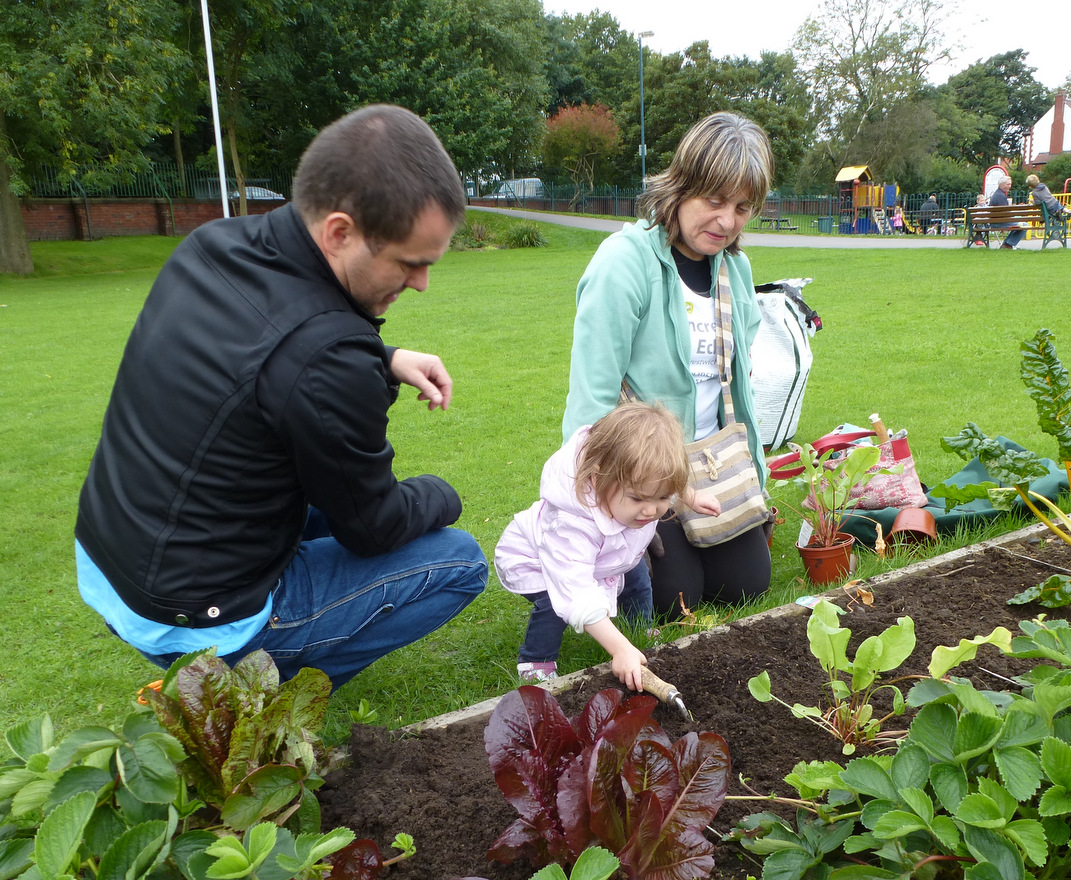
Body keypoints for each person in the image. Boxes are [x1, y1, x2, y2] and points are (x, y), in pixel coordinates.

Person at [74, 105, 489, 691]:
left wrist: (385, 356)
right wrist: (443, 495)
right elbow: (373, 528)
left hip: (113, 561)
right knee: (459, 560)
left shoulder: (212, 246)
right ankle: (267, 692)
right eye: (410, 263)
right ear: (339, 232)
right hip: (197, 616)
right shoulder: (328, 358)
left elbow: (272, 344)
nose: (420, 283)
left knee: (324, 495)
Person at [562, 111, 774, 620]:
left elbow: (737, 390)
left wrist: (755, 483)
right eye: (715, 200)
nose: (727, 222)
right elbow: (592, 395)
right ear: (680, 186)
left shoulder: (736, 269)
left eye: (742, 207)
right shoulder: (623, 262)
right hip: (644, 471)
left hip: (712, 464)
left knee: (748, 585)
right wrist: (595, 508)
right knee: (672, 601)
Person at [494, 403, 720, 687]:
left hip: (607, 554)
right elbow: (575, 590)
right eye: (638, 498)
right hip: (537, 560)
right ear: (598, 478)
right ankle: (537, 660)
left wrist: (690, 497)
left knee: (638, 579)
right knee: (554, 603)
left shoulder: (637, 487)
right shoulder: (571, 524)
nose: (651, 510)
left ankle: (639, 628)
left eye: (663, 498)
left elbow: (663, 481)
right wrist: (618, 650)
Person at [990, 176, 1024, 250]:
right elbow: (1005, 213)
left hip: (996, 221)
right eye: (1007, 184)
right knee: (1024, 225)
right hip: (1000, 222)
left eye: (1010, 184)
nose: (1009, 186)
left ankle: (1007, 244)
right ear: (1001, 184)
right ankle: (1008, 244)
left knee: (1019, 223)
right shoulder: (1001, 196)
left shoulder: (997, 194)